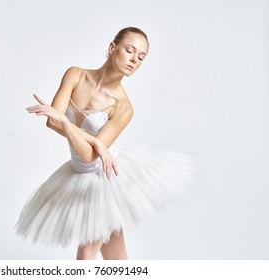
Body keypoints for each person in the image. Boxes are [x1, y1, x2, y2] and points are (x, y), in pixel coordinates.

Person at [15, 27, 199, 260]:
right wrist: (93, 139)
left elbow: (90, 156)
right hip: (78, 174)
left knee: (86, 252)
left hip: (105, 177)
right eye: (130, 50)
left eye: (141, 57)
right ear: (113, 48)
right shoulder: (75, 75)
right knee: (117, 259)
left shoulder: (123, 107)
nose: (134, 60)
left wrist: (68, 123)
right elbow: (52, 122)